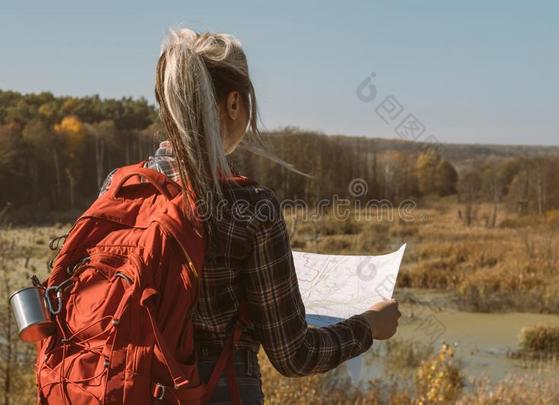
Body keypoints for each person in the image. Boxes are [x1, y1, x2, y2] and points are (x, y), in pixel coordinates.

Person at [101, 27, 401, 404]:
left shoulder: (120, 185)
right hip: (215, 388)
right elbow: (295, 355)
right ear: (233, 104)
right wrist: (370, 325)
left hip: (125, 385)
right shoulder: (251, 206)